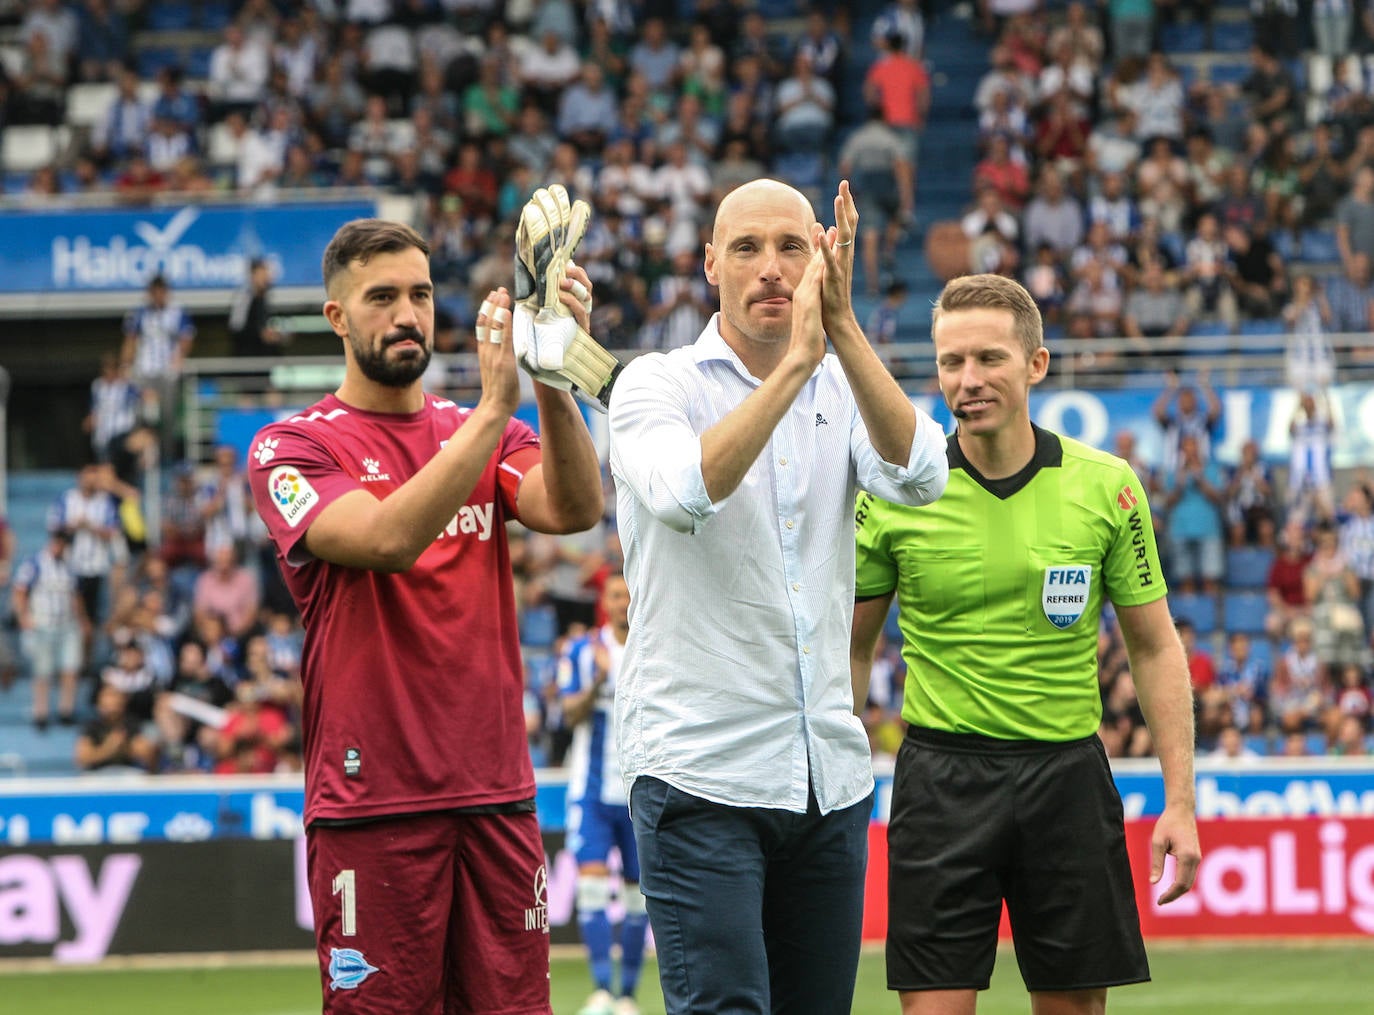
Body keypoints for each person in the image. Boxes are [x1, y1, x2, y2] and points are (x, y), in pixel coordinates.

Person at [607, 178, 949, 1015]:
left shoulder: (843, 384)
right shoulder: (656, 384)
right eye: (749, 249)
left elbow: (923, 474)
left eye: (793, 248)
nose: (772, 269)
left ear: (825, 261)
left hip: (824, 776)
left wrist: (840, 334)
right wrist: (798, 362)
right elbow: (684, 492)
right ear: (710, 264)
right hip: (701, 772)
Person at [247, 218, 604, 1013]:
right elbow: (386, 539)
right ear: (338, 317)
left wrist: (549, 376)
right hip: (373, 804)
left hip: (496, 795)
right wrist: (491, 409)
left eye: (420, 294)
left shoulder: (478, 428)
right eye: (381, 298)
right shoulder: (291, 447)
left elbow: (575, 506)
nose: (407, 314)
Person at [850, 273, 1200, 1015]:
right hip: (939, 780)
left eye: (988, 359)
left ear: (1036, 364)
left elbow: (1157, 647)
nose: (967, 380)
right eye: (951, 362)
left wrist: (1180, 800)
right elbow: (849, 652)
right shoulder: (893, 492)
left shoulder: (1108, 486)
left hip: (1067, 779)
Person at [558, 574, 649, 1015]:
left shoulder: (651, 649)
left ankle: (627, 996)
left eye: (629, 594)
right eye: (615, 595)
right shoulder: (581, 651)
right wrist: (596, 679)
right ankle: (600, 991)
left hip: (638, 792)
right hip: (591, 793)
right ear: (603, 602)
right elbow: (568, 714)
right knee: (592, 890)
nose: (622, 602)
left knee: (637, 898)